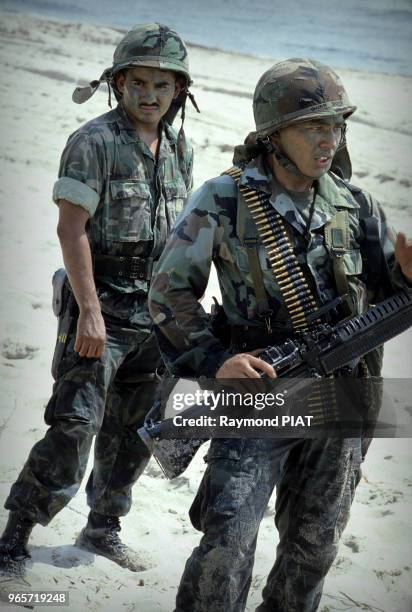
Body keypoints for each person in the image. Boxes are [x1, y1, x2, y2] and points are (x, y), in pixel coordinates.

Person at [148, 58, 412, 611]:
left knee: (313, 548)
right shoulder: (224, 197)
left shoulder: (355, 204)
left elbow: (387, 300)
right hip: (263, 394)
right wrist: (215, 359)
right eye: (313, 126)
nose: (328, 139)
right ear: (273, 134)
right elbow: (169, 294)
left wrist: (407, 276)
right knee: (228, 544)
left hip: (341, 397)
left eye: (335, 126)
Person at [0, 23, 196, 577]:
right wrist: (88, 310)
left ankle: (103, 527)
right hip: (100, 308)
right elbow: (71, 231)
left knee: (134, 433)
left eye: (163, 84)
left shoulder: (179, 146)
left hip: (155, 316)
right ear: (118, 82)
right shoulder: (94, 143)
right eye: (139, 82)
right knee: (74, 427)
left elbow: (181, 233)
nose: (150, 95)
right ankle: (14, 538)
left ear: (179, 89)